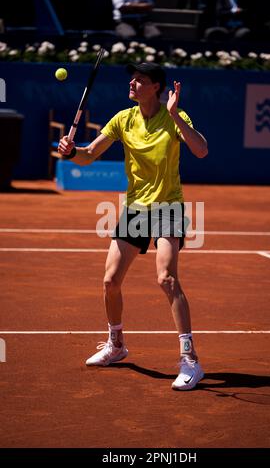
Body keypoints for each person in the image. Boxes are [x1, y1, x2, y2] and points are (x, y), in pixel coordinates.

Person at [58, 62, 208, 391]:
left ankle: (190, 360)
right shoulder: (123, 119)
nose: (133, 83)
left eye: (140, 80)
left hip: (168, 206)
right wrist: (71, 153)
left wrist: (176, 115)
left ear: (156, 87)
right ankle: (116, 344)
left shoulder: (174, 118)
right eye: (133, 79)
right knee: (110, 281)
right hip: (136, 208)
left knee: (166, 278)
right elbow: (89, 154)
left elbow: (200, 150)